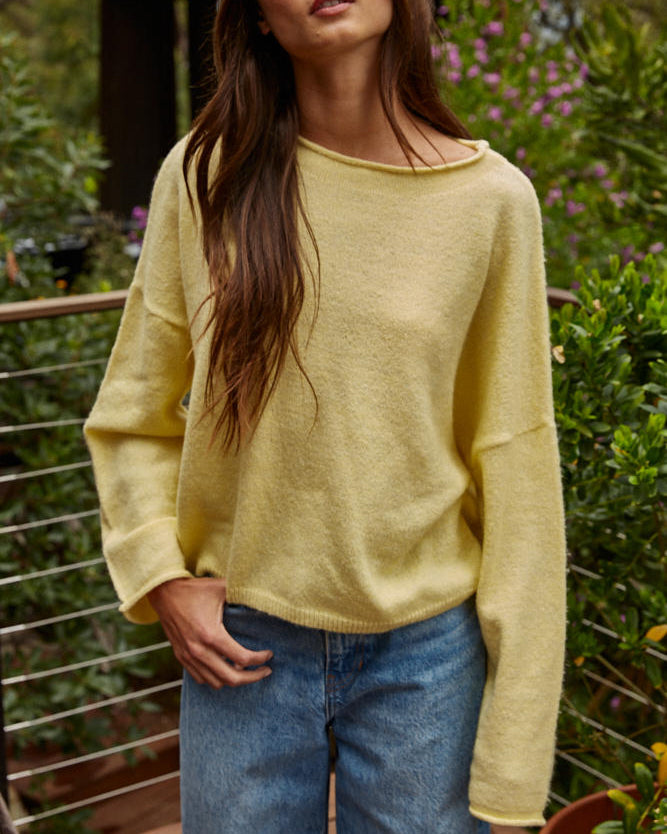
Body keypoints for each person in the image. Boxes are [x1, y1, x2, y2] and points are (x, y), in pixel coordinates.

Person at [84, 1, 567, 832]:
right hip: (242, 646)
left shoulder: (490, 204)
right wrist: (161, 577)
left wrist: (516, 756)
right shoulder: (204, 177)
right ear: (259, 19)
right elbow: (132, 415)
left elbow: (515, 464)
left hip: (428, 660)